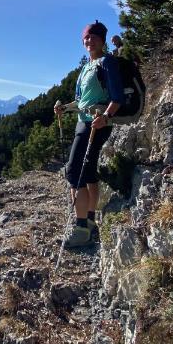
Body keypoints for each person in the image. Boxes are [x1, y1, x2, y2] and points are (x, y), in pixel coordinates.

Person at [55, 20, 124, 248]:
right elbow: (81, 101)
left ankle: (81, 227)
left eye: (93, 37)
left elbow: (117, 97)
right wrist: (64, 107)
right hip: (84, 122)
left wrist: (105, 117)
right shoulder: (86, 67)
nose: (89, 40)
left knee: (75, 172)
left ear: (103, 40)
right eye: (86, 37)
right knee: (89, 171)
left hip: (95, 125)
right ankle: (91, 220)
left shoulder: (107, 63)